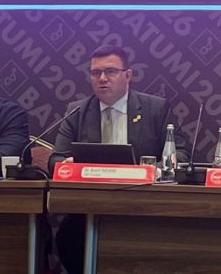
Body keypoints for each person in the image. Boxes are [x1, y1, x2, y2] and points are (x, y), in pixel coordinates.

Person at [52, 45, 189, 274]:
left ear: (128, 75)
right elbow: (56, 158)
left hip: (143, 206)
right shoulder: (76, 111)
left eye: (110, 71)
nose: (102, 79)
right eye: (95, 73)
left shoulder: (155, 109)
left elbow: (181, 154)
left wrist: (154, 169)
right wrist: (66, 166)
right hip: (89, 207)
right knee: (68, 238)